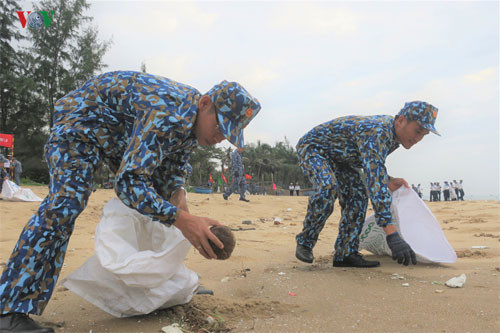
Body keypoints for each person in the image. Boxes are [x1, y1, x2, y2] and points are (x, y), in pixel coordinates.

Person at [0, 71, 261, 333]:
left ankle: (164, 286)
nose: (220, 137)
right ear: (205, 104)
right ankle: (10, 309)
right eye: (219, 127)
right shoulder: (168, 112)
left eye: (228, 134)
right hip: (80, 123)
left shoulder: (191, 122)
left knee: (162, 203)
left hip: (118, 134)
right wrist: (182, 220)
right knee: (66, 203)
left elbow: (174, 166)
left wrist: (178, 196)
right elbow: (128, 184)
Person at [295, 101, 439, 268]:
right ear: (400, 120)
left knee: (358, 196)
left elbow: (372, 164)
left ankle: (345, 253)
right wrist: (391, 234)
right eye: (417, 131)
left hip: (342, 160)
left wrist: (388, 179)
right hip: (314, 149)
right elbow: (374, 181)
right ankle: (306, 241)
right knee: (328, 187)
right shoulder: (378, 131)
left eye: (423, 135)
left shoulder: (393, 137)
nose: (418, 138)